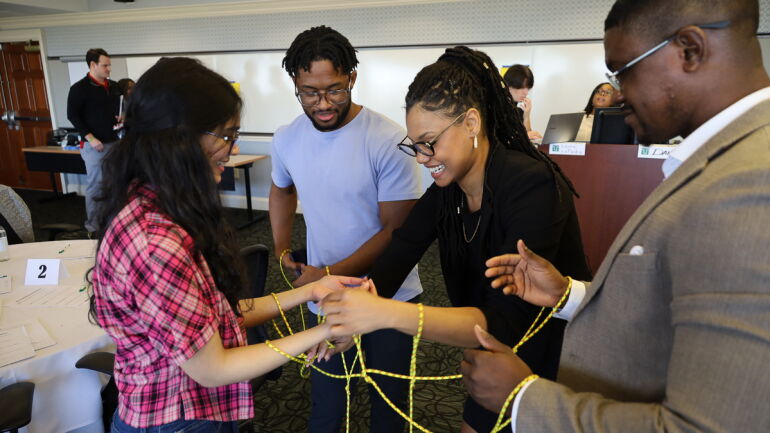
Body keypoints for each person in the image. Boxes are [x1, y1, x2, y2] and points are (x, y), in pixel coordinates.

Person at [461, 0, 770, 432]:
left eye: (624, 70)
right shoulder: (724, 161)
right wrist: (568, 295)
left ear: (689, 50)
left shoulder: (751, 182)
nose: (618, 95)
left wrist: (524, 398)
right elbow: (670, 310)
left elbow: (707, 425)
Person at [321, 46, 592, 433]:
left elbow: (507, 319)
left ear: (470, 123)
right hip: (495, 345)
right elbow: (403, 248)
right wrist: (357, 309)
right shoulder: (448, 190)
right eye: (415, 145)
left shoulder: (529, 185)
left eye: (429, 142)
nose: (421, 157)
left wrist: (386, 314)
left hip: (557, 351)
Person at [89, 57, 363, 432]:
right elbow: (213, 367)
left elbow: (220, 315)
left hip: (185, 413)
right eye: (226, 135)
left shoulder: (159, 205)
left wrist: (312, 291)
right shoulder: (157, 242)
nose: (232, 150)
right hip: (177, 420)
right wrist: (324, 331)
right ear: (180, 136)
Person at [269, 26, 423, 433]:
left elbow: (396, 231)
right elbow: (281, 190)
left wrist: (329, 271)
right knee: (327, 401)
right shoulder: (287, 138)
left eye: (334, 90)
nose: (322, 104)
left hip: (390, 293)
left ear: (352, 78)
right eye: (309, 92)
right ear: (296, 86)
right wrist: (282, 249)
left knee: (389, 406)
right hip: (327, 297)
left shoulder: (388, 139)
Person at [67, 48, 121, 233]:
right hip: (95, 146)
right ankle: (93, 227)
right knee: (97, 186)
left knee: (116, 184)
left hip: (116, 142)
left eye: (109, 65)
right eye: (105, 65)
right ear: (92, 65)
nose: (109, 69)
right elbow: (72, 116)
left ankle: (113, 223)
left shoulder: (114, 86)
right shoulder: (79, 89)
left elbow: (118, 109)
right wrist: (90, 138)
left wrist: (122, 117)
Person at [503, 65, 542, 140]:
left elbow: (528, 136)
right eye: (522, 88)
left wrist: (526, 116)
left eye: (528, 88)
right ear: (509, 85)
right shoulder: (497, 106)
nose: (526, 92)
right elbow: (501, 138)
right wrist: (525, 136)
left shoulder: (518, 109)